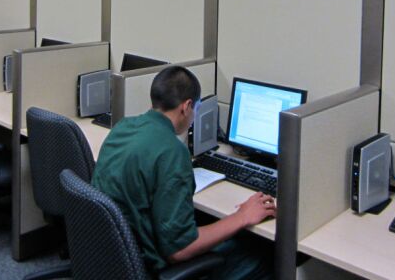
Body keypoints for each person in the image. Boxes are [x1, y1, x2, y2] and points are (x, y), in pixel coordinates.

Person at [91, 65, 276, 279]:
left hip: (111, 257)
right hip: (145, 267)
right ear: (187, 106)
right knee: (262, 255)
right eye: (196, 109)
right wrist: (242, 216)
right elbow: (180, 250)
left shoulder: (123, 127)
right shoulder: (172, 151)